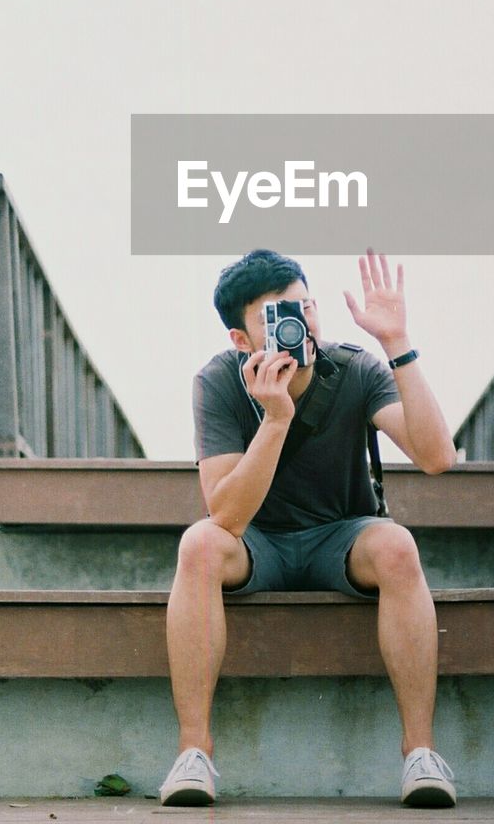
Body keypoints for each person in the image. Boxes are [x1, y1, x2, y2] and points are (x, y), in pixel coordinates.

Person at [160, 247, 459, 809]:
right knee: (198, 544)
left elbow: (438, 456)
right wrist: (274, 418)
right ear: (242, 340)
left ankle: (420, 752)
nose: (298, 326)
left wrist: (397, 344)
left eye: (302, 309)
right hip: (258, 543)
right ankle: (193, 751)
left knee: (397, 546)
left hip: (340, 537)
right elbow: (225, 515)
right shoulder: (221, 381)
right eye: (276, 317)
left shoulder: (356, 367)